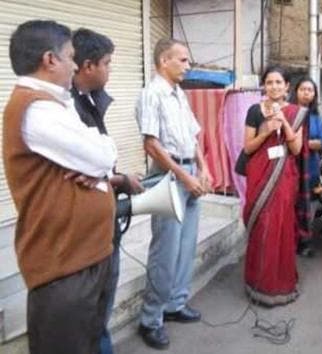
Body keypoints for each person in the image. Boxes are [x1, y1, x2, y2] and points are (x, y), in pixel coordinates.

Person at [3, 20, 118, 354]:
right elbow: (102, 152)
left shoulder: (56, 103)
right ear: (50, 60)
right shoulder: (35, 108)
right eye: (70, 57)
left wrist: (99, 163)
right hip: (64, 268)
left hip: (82, 258)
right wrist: (99, 159)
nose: (74, 65)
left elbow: (103, 158)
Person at [71, 27, 145, 354]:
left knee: (101, 310)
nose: (111, 69)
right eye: (108, 63)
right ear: (89, 66)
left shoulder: (88, 101)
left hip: (105, 223)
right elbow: (80, 175)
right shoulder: (66, 109)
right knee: (92, 314)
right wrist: (119, 181)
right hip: (89, 231)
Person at [135, 38, 211, 350]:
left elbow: (193, 136)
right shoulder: (151, 94)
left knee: (185, 245)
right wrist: (183, 175)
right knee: (165, 251)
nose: (188, 65)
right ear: (164, 61)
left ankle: (175, 304)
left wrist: (203, 167)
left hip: (188, 173)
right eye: (182, 60)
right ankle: (150, 319)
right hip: (168, 177)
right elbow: (151, 144)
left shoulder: (179, 93)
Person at [243, 66, 310, 306]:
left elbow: (296, 149)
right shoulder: (254, 111)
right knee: (262, 225)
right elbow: (248, 148)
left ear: (287, 87)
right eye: (269, 82)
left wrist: (284, 123)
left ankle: (280, 285)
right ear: (263, 86)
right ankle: (257, 283)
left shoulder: (296, 112)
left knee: (280, 226)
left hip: (284, 178)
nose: (274, 87)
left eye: (278, 82)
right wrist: (264, 132)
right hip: (259, 175)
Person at [292, 76, 322, 257]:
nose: (306, 93)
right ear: (295, 92)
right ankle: (290, 241)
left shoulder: (315, 117)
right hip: (291, 168)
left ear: (314, 95)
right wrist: (305, 143)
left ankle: (304, 242)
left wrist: (301, 143)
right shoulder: (289, 113)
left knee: (308, 205)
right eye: (303, 89)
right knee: (291, 205)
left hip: (310, 168)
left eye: (310, 90)